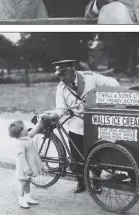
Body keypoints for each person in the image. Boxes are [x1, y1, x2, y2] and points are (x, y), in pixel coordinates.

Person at [40, 60, 119, 193]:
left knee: (95, 155)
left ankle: (96, 182)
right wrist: (54, 115)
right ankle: (81, 182)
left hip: (94, 124)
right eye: (59, 75)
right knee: (76, 156)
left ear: (72, 70)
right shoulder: (61, 88)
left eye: (63, 74)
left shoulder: (90, 78)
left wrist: (101, 97)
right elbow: (61, 108)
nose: (61, 78)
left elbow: (114, 84)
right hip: (76, 125)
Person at [8, 120, 43, 209]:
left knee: (27, 182)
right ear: (21, 132)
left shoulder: (26, 137)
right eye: (25, 127)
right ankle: (21, 199)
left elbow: (33, 131)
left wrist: (40, 123)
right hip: (24, 169)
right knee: (22, 184)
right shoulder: (20, 143)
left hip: (29, 166)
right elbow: (21, 158)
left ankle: (27, 197)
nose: (27, 128)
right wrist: (27, 169)